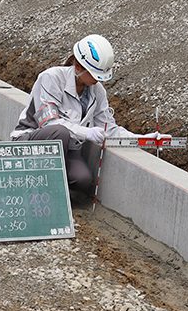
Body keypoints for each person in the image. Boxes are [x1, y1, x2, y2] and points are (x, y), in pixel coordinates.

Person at [10, 35, 142, 197]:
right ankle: (44, 193)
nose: (97, 80)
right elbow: (49, 124)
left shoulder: (97, 91)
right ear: (78, 67)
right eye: (94, 75)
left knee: (83, 180)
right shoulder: (51, 78)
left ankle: (55, 187)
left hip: (67, 149)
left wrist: (138, 139)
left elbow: (108, 128)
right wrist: (86, 132)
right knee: (60, 132)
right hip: (31, 141)